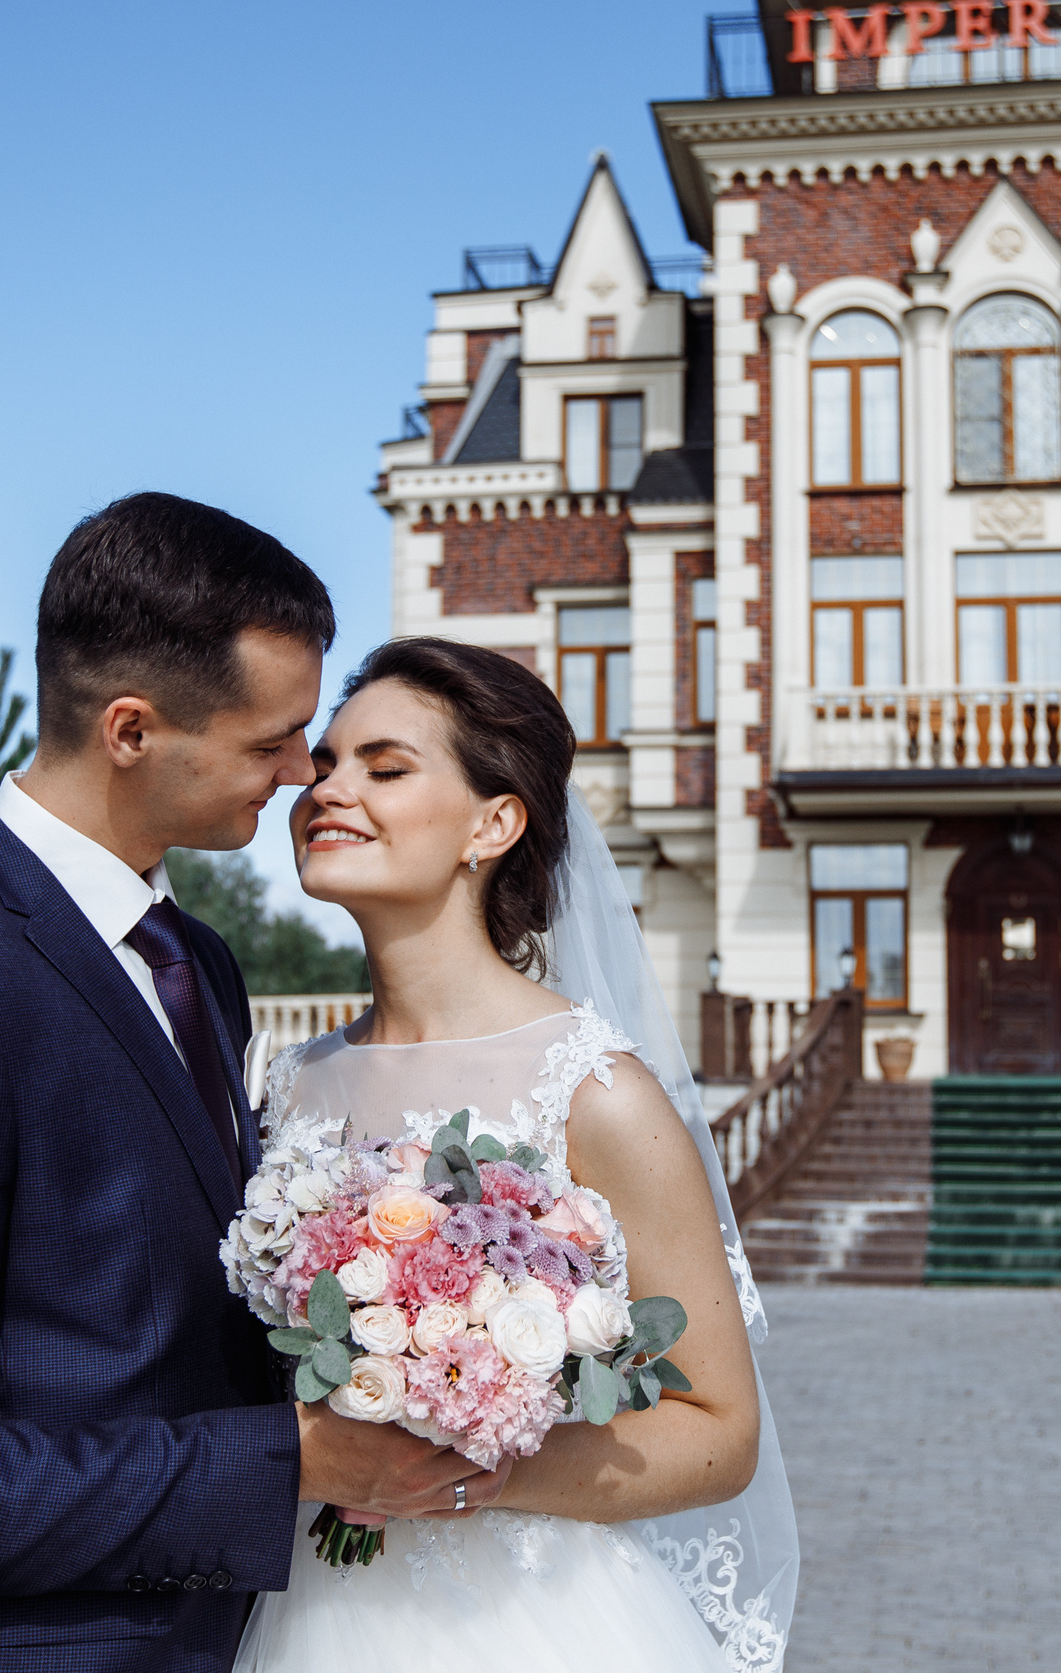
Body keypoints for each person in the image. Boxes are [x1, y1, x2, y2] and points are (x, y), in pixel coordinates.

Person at [0, 495, 504, 1673]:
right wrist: (290, 1461)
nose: (304, 774)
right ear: (130, 729)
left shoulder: (196, 963)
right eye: (273, 741)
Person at [234, 638, 797, 1673]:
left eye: (384, 767)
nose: (327, 789)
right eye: (324, 762)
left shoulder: (596, 1090)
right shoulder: (288, 1084)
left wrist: (469, 1464)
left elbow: (720, 1430)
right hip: (317, 1609)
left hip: (533, 1623)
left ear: (492, 824)